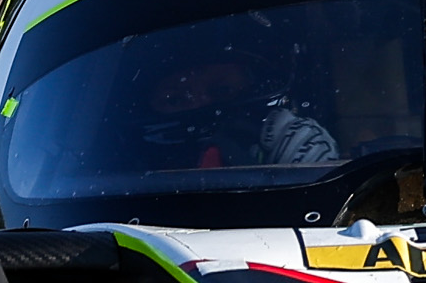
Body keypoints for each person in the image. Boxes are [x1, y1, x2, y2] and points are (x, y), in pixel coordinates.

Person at [126, 20, 340, 172]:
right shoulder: (122, 164)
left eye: (222, 91)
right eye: (175, 99)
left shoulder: (283, 137)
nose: (199, 105)